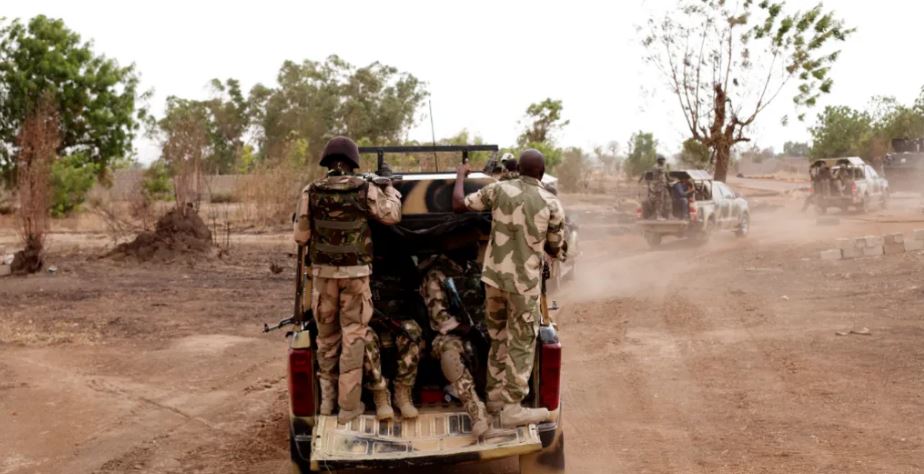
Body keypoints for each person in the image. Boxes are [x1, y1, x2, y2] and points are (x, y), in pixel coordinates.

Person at [451, 149, 566, 428]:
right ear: (540, 173)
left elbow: (458, 204)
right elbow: (555, 246)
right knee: (521, 343)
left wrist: (460, 175)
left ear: (519, 169)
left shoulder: (497, 190)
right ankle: (512, 407)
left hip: (493, 281)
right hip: (523, 285)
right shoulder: (550, 203)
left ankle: (493, 399)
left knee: (498, 338)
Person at [293, 136, 403, 423]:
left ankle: (327, 403)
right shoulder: (364, 188)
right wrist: (390, 190)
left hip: (323, 277)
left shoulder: (311, 190)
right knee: (353, 337)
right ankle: (348, 406)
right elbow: (391, 217)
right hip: (355, 277)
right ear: (353, 162)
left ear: (327, 162)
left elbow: (300, 236)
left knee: (327, 339)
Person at [418, 254, 491, 437]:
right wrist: (471, 331)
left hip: (481, 331)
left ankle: (503, 403)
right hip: (451, 335)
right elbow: (440, 320)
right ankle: (476, 413)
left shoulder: (476, 269)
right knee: (450, 355)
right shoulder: (436, 275)